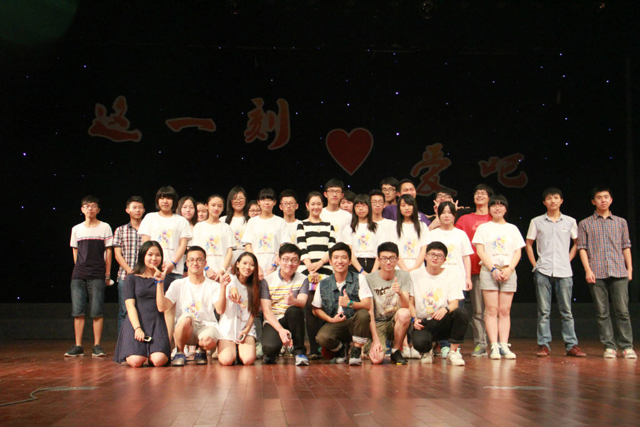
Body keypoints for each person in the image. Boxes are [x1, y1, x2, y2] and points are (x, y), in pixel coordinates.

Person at [525, 187, 586, 358]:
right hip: (543, 270)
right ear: (544, 202)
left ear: (561, 201)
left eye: (556, 197)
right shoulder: (537, 221)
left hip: (564, 271)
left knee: (566, 311)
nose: (553, 200)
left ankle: (571, 345)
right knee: (543, 311)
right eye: (549, 198)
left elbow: (577, 243)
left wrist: (568, 259)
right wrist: (535, 264)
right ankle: (544, 345)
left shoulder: (570, 221)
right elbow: (528, 244)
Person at [578, 186, 636, 359]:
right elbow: (582, 248)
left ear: (611, 200)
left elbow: (626, 246)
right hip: (596, 272)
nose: (603, 200)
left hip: (619, 271)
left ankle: (627, 346)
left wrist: (629, 268)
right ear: (593, 201)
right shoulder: (585, 223)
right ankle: (609, 346)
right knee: (602, 313)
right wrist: (588, 270)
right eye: (599, 197)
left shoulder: (621, 222)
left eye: (606, 197)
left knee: (622, 311)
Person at [473, 194, 525, 360]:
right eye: (494, 205)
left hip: (509, 271)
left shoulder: (512, 228)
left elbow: (518, 251)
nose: (497, 208)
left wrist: (510, 269)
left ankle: (504, 344)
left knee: (504, 310)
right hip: (489, 271)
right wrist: (492, 268)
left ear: (506, 209)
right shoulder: (483, 228)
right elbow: (480, 250)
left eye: (501, 205)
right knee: (491, 309)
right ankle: (494, 345)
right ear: (489, 209)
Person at [139, 186, 192, 348]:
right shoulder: (150, 218)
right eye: (162, 197)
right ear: (157, 200)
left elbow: (183, 245)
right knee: (152, 309)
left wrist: (172, 263)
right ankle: (150, 344)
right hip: (152, 272)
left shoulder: (181, 221)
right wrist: (153, 265)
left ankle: (168, 346)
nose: (165, 201)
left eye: (168, 198)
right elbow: (146, 244)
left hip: (174, 271)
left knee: (172, 311)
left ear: (174, 201)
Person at [159, 246, 229, 366]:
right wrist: (159, 283)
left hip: (206, 326)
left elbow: (220, 310)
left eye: (199, 260)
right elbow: (162, 307)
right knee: (186, 318)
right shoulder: (178, 284)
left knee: (207, 342)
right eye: (191, 260)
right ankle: (180, 352)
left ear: (205, 263)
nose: (195, 263)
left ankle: (200, 350)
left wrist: (223, 287)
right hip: (186, 327)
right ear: (186, 263)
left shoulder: (213, 286)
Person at [65, 196, 113, 358]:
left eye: (93, 206)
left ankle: (97, 345)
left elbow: (109, 251)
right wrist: (79, 267)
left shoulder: (105, 227)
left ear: (98, 209)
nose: (90, 209)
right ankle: (78, 345)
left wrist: (107, 273)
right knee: (78, 310)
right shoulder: (76, 229)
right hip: (79, 274)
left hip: (98, 273)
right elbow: (75, 250)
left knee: (97, 310)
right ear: (82, 209)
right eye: (87, 206)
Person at [312, 243, 373, 366]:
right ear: (330, 261)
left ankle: (356, 350)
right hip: (335, 324)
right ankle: (340, 349)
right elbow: (315, 309)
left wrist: (350, 303)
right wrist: (330, 319)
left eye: (344, 257)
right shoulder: (323, 283)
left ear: (350, 261)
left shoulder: (359, 278)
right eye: (336, 257)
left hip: (355, 323)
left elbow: (367, 304)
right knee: (322, 337)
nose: (340, 261)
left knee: (363, 314)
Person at [409, 242, 469, 366]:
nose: (435, 258)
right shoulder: (414, 275)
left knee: (461, 313)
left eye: (439, 256)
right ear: (425, 256)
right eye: (432, 254)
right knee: (420, 343)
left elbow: (454, 303)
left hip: (441, 320)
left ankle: (453, 352)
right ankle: (427, 351)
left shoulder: (452, 275)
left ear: (444, 260)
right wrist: (414, 319)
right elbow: (411, 302)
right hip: (423, 322)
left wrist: (445, 310)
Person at [113, 241, 170, 367]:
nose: (154, 258)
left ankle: (151, 354)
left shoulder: (165, 279)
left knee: (159, 360)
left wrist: (160, 282)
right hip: (136, 322)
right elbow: (130, 306)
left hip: (156, 322)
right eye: (150, 255)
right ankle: (141, 352)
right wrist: (137, 328)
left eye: (158, 255)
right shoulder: (132, 278)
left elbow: (161, 307)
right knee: (135, 361)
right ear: (142, 256)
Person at [428, 201, 473, 358]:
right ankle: (444, 346)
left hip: (458, 279)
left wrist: (468, 277)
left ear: (454, 215)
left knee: (457, 313)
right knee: (440, 313)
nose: (446, 215)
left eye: (449, 212)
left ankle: (455, 347)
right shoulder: (432, 234)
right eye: (443, 212)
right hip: (438, 280)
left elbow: (466, 257)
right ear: (438, 215)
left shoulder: (461, 234)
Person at [297, 191, 336, 359]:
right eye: (312, 204)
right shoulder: (302, 225)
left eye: (319, 204)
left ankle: (326, 347)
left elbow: (332, 249)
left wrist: (319, 265)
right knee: (310, 307)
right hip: (307, 272)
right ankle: (313, 348)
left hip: (325, 272)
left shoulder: (329, 225)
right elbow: (301, 247)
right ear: (307, 206)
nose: (316, 207)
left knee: (325, 307)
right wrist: (311, 270)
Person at [455, 184, 494, 357]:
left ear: (489, 198)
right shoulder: (464, 219)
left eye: (483, 193)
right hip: (470, 270)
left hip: (491, 270)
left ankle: (494, 343)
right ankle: (479, 344)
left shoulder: (494, 218)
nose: (479, 195)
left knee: (491, 309)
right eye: (477, 193)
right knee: (476, 310)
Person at [261, 244, 310, 366]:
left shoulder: (303, 279)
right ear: (279, 260)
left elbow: (302, 302)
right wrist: (280, 330)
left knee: (295, 310)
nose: (290, 263)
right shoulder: (267, 280)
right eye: (286, 259)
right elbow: (266, 310)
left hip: (292, 318)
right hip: (274, 320)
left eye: (294, 260)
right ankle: (277, 350)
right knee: (269, 349)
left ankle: (299, 352)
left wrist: (294, 301)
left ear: (299, 263)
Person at [365, 242, 412, 365]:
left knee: (404, 313)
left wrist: (400, 293)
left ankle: (396, 350)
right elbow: (369, 311)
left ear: (397, 259)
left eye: (392, 258)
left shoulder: (404, 276)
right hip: (377, 323)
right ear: (378, 260)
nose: (388, 262)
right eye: (384, 258)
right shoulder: (369, 279)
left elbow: (406, 306)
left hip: (394, 321)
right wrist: (375, 339)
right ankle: (371, 345)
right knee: (377, 359)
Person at [218, 252, 263, 366]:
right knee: (226, 360)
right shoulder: (230, 279)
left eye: (252, 265)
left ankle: (240, 350)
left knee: (248, 360)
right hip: (228, 328)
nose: (248, 267)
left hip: (245, 328)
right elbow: (233, 288)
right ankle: (231, 349)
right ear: (237, 264)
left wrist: (246, 330)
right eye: (244, 263)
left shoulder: (256, 286)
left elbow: (253, 312)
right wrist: (235, 296)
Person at [113, 196, 145, 335]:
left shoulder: (148, 230)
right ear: (127, 210)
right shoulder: (120, 230)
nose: (137, 210)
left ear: (143, 210)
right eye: (134, 207)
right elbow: (117, 254)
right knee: (124, 311)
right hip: (125, 277)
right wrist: (130, 270)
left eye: (140, 207)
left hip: (145, 277)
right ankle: (124, 341)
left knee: (144, 310)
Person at [242, 188, 289, 279]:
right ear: (258, 202)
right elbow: (248, 246)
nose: (266, 203)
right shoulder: (252, 222)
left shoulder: (280, 221)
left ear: (274, 202)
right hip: (255, 268)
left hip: (276, 268)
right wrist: (256, 266)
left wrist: (273, 266)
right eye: (263, 199)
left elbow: (283, 246)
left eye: (270, 200)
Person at [192, 194, 234, 281]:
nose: (216, 208)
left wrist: (222, 270)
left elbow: (229, 252)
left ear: (223, 208)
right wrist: (207, 269)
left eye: (219, 206)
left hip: (222, 274)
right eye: (213, 205)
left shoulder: (226, 227)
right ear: (207, 206)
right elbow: (196, 251)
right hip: (203, 273)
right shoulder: (199, 227)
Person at [344, 194, 381, 274]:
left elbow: (381, 251)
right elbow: (349, 251)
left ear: (369, 207)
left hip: (374, 264)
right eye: (357, 206)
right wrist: (361, 271)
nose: (360, 208)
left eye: (363, 205)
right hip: (355, 265)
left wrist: (373, 272)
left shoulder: (378, 227)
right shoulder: (349, 228)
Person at [394, 195, 430, 272]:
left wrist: (415, 268)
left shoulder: (422, 226)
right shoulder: (393, 226)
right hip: (398, 270)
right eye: (403, 205)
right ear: (399, 208)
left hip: (419, 270)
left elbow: (424, 249)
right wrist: (405, 269)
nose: (407, 208)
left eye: (410, 205)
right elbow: (394, 250)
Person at [222, 186, 250, 263]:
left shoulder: (251, 221)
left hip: (247, 259)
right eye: (234, 198)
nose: (238, 201)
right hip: (228, 259)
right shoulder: (223, 220)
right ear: (230, 201)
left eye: (241, 198)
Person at [320, 178, 352, 243]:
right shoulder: (319, 213)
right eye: (331, 191)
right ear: (325, 194)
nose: (334, 194)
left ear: (342, 195)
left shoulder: (348, 216)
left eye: (337, 191)